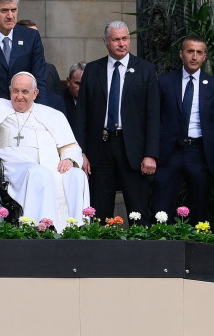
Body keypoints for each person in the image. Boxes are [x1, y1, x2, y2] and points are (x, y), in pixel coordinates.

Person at [0, 68, 89, 230]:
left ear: (35, 93)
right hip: (9, 165)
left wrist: (69, 159)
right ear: (10, 90)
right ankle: (39, 229)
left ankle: (76, 229)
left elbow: (70, 145)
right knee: (39, 173)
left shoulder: (52, 115)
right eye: (15, 91)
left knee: (76, 175)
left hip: (48, 164)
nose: (19, 96)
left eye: (25, 92)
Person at [77, 21, 159, 220]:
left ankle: (140, 250)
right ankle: (100, 250)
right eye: (116, 39)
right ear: (105, 41)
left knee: (138, 211)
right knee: (99, 210)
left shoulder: (145, 70)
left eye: (125, 38)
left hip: (134, 150)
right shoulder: (93, 70)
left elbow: (153, 114)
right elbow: (82, 114)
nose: (122, 44)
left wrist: (150, 154)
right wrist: (80, 152)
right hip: (100, 148)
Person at [154, 34, 214, 222]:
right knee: (162, 206)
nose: (194, 56)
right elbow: (155, 117)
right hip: (170, 152)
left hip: (199, 153)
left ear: (205, 56)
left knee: (200, 208)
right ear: (181, 54)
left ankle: (197, 248)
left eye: (199, 52)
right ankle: (163, 247)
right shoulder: (164, 82)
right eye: (190, 51)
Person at [63, 62, 84, 140]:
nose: (82, 88)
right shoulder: (59, 100)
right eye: (78, 84)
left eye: (85, 84)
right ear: (68, 81)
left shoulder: (96, 100)